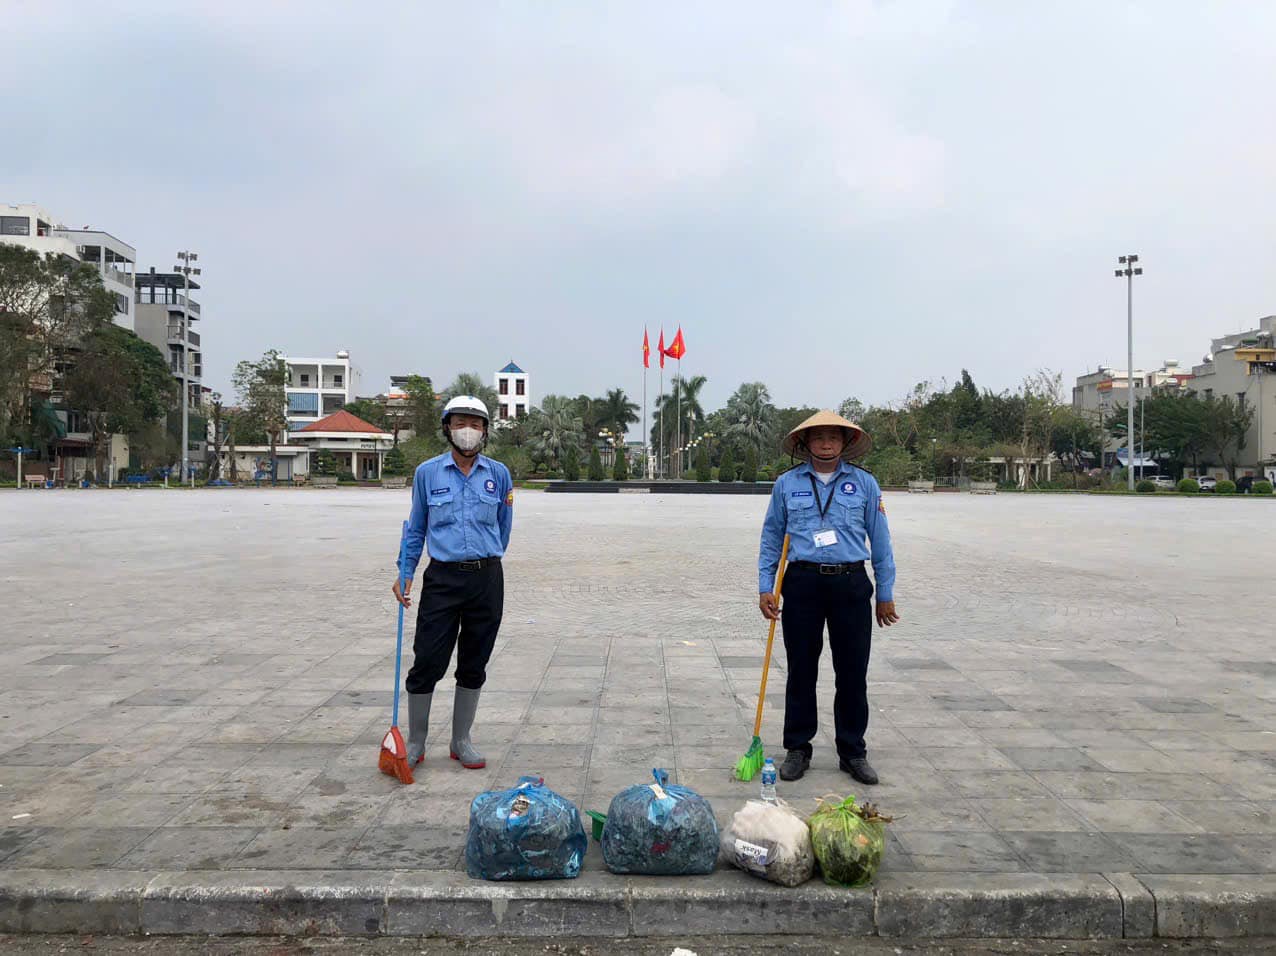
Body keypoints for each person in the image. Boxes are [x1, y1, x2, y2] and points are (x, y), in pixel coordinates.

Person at [757, 410, 899, 785]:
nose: (825, 443)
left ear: (845, 442)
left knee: (852, 673)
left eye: (833, 437)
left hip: (851, 584)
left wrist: (885, 592)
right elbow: (771, 537)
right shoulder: (786, 485)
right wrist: (765, 586)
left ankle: (852, 751)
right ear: (805, 443)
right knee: (801, 671)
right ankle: (797, 748)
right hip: (801, 584)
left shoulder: (865, 485)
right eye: (817, 436)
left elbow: (881, 542)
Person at [392, 395, 513, 770]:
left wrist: (484, 558)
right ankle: (415, 742)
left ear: (485, 432)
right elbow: (416, 527)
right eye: (461, 422)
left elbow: (504, 527)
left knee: (475, 661)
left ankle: (461, 740)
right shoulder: (428, 473)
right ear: (447, 427)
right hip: (442, 579)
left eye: (476, 425)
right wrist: (406, 570)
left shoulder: (499, 474)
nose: (468, 431)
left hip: (487, 579)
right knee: (427, 659)